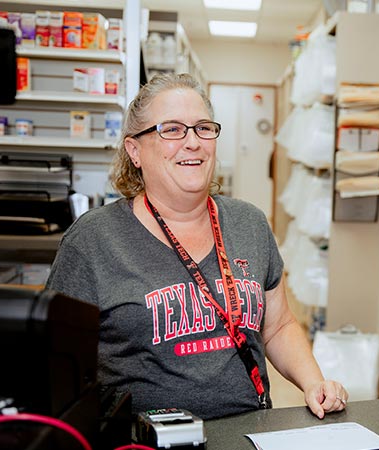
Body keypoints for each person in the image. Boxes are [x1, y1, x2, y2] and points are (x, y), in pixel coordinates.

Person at [45, 73, 348, 420]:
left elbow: (278, 326)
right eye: (172, 130)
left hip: (247, 433)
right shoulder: (93, 240)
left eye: (203, 127)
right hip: (142, 440)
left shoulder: (249, 223)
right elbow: (56, 359)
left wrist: (313, 382)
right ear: (135, 150)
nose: (193, 142)